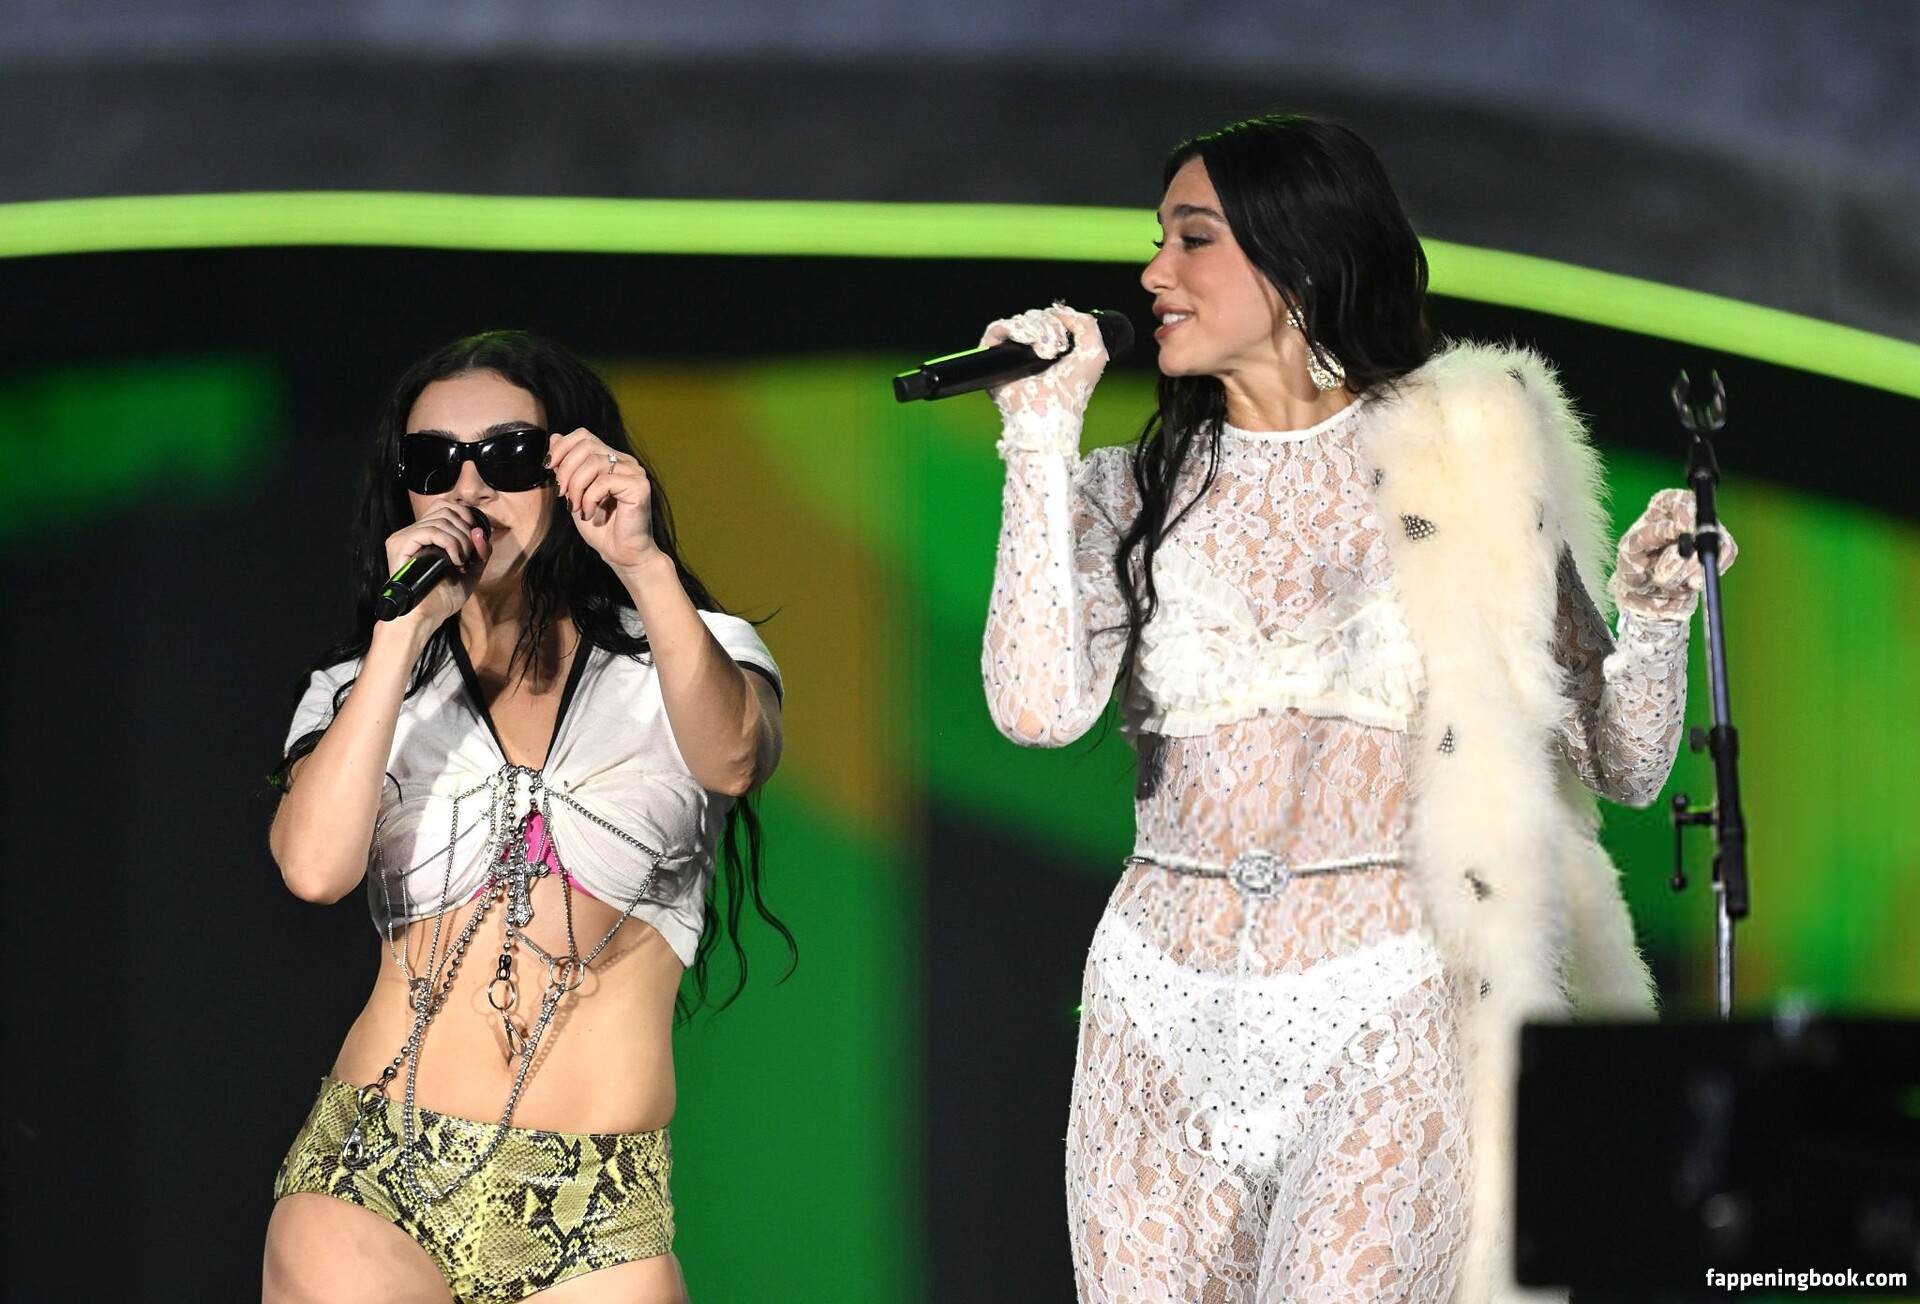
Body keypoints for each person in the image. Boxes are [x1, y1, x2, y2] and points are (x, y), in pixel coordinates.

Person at [979, 116, 1734, 1303]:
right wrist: (1036, 435)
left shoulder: (1464, 463)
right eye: (1158, 240)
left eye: (1191, 239)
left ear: (1298, 259)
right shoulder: (1130, 488)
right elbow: (1034, 711)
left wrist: (1650, 611)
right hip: (1153, 1011)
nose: (1153, 273)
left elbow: (1627, 762)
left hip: (1383, 1002)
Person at [262, 330, 787, 1304]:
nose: (469, 488)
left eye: (506, 455)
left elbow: (734, 758)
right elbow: (314, 867)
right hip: (374, 1172)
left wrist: (642, 563)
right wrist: (396, 640)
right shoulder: (361, 688)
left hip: (595, 1203)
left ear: (569, 467)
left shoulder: (685, 651)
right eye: (434, 463)